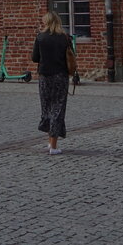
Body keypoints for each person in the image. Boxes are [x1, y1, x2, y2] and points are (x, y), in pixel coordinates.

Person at [30, 9, 71, 155]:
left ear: (45, 22)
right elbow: (71, 56)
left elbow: (34, 58)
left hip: (44, 76)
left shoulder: (40, 37)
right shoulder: (65, 38)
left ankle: (50, 143)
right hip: (60, 76)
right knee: (58, 109)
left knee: (47, 108)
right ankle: (53, 146)